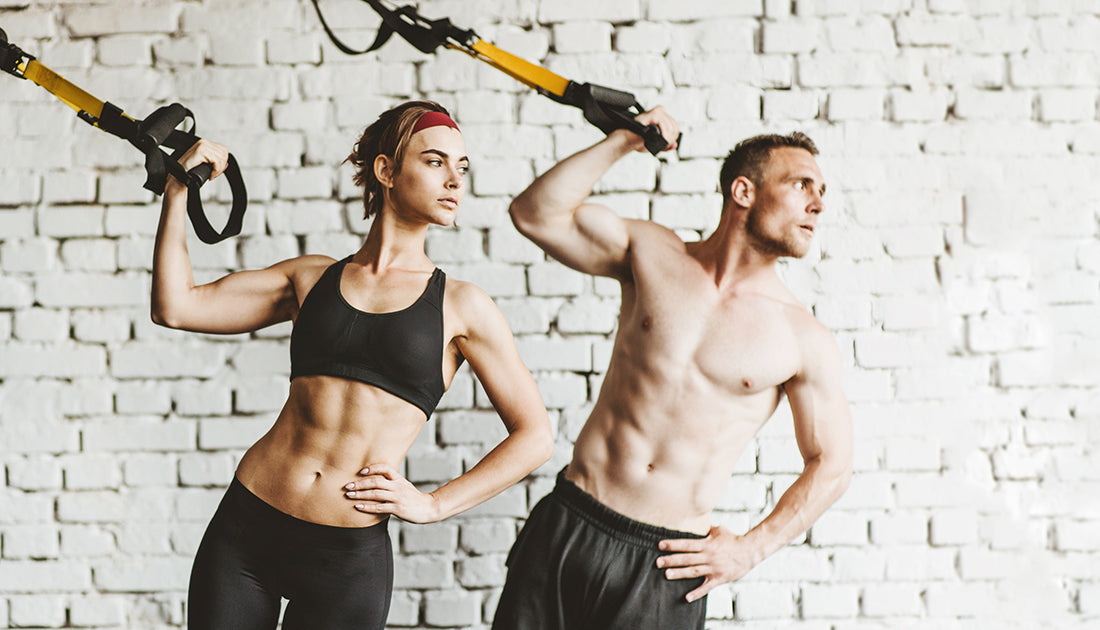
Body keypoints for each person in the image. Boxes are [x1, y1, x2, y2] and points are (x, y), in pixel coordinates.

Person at [151, 100, 553, 630]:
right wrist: (180, 187)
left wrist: (433, 505)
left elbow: (536, 437)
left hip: (346, 558)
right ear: (386, 171)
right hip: (247, 528)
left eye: (462, 168)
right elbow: (175, 307)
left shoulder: (462, 306)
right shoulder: (310, 278)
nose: (455, 180)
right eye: (435, 162)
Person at [491, 107, 853, 630]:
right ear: (744, 192)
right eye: (802, 185)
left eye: (821, 193)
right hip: (572, 519)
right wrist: (624, 140)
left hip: (667, 560)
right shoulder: (652, 254)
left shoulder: (802, 337)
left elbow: (833, 465)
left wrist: (750, 550)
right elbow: (534, 214)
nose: (818, 205)